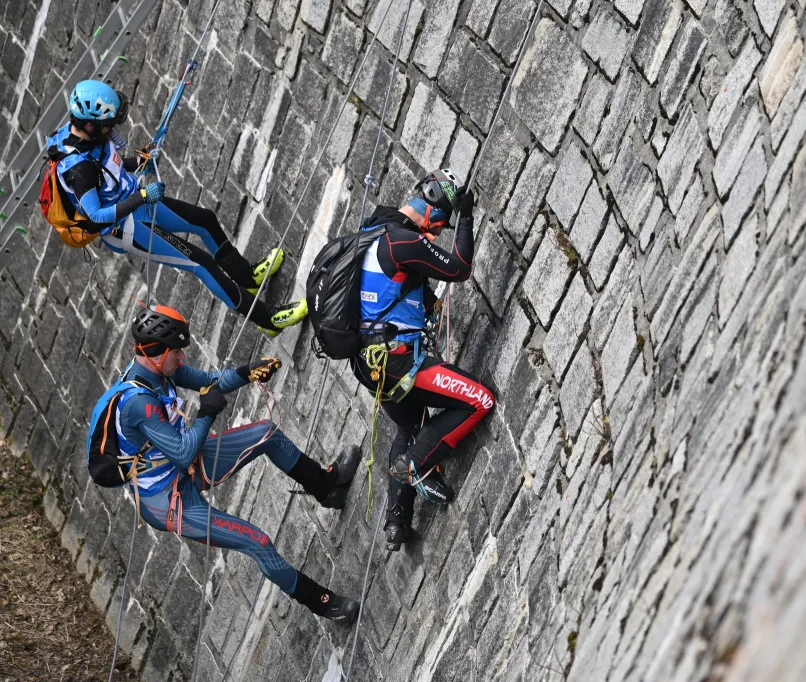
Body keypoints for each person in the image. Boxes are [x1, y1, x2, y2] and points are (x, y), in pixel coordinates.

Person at [105, 304, 360, 620]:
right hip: (169, 499)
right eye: (177, 353)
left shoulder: (162, 370)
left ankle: (327, 487)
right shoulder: (137, 403)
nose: (183, 358)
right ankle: (321, 602)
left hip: (186, 465)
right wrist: (207, 413)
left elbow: (210, 382)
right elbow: (183, 452)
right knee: (257, 542)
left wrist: (246, 372)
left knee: (266, 433)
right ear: (154, 352)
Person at [45, 80, 306, 336]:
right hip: (127, 228)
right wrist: (143, 196)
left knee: (204, 220)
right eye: (108, 125)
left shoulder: (86, 136)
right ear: (90, 125)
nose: (112, 128)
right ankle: (268, 320)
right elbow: (97, 216)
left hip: (138, 201)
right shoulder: (77, 169)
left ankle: (248, 278)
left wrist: (138, 161)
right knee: (201, 263)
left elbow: (107, 167)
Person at [349, 169, 495, 551]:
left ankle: (397, 520)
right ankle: (415, 466)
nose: (435, 236)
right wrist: (466, 216)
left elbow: (397, 286)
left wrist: (426, 305)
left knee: (410, 424)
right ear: (431, 213)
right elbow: (459, 269)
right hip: (397, 360)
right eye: (439, 227)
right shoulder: (404, 241)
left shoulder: (374, 230)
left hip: (369, 363)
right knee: (480, 400)